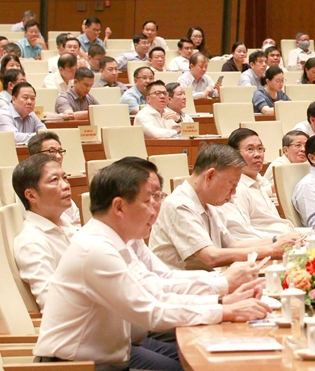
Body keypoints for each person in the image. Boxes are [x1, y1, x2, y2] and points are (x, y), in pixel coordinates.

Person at [34, 157, 270, 369]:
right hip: (76, 366)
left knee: (204, 354)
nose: (157, 208)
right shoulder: (96, 250)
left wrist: (221, 299)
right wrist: (225, 309)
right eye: (150, 199)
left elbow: (157, 288)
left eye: (159, 197)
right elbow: (151, 312)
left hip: (114, 353)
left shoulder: (119, 241)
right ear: (119, 206)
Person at [150, 144, 298, 269]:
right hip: (182, 291)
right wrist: (271, 250)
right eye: (232, 185)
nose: (233, 193)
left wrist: (279, 239)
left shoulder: (209, 202)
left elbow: (232, 245)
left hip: (208, 281)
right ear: (210, 176)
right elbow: (210, 257)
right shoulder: (179, 205)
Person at [12, 154, 77, 310]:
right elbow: (52, 305)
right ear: (31, 195)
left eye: (65, 178)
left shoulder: (65, 224)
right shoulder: (32, 242)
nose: (66, 185)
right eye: (54, 180)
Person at [226, 128, 297, 236]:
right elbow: (243, 234)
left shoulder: (258, 183)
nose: (257, 154)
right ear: (233, 154)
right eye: (250, 149)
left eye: (260, 149)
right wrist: (278, 241)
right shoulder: (236, 189)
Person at [26, 132, 82, 226]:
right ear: (35, 156)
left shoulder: (62, 183)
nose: (58, 156)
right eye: (51, 151)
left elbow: (77, 217)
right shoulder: (28, 184)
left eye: (60, 151)